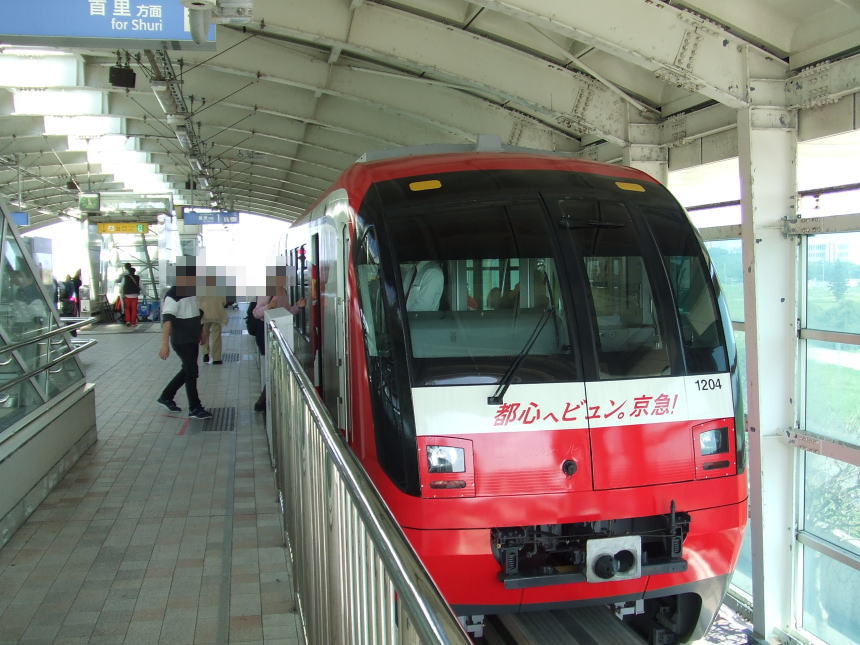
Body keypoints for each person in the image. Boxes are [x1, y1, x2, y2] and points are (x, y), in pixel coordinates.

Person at [157, 260, 213, 419]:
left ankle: (166, 396)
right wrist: (164, 344)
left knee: (188, 370)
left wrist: (201, 332)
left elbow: (197, 313)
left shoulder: (192, 291)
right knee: (192, 372)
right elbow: (167, 320)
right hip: (181, 341)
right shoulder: (172, 295)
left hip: (192, 339)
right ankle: (195, 408)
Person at [252, 265, 306, 412]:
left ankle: (265, 401)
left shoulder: (284, 291)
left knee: (276, 367)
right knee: (274, 368)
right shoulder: (266, 290)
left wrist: (298, 307)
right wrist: (269, 306)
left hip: (281, 333)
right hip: (266, 334)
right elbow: (256, 313)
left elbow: (286, 312)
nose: (284, 279)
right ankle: (262, 402)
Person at [198, 275, 228, 364]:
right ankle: (216, 358)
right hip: (216, 313)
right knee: (216, 336)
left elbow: (197, 299)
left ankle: (205, 354)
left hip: (204, 313)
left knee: (204, 333)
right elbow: (224, 301)